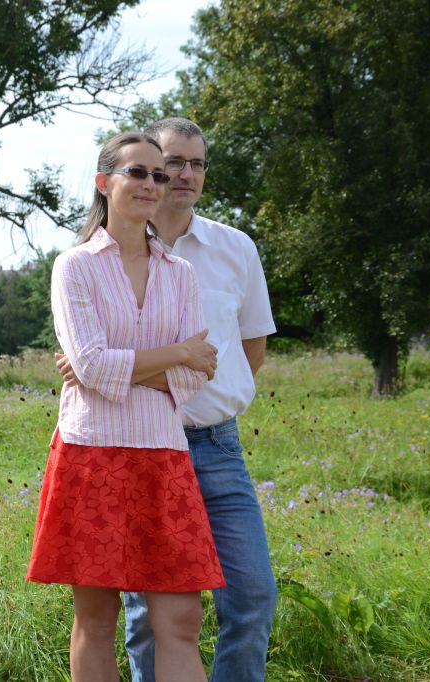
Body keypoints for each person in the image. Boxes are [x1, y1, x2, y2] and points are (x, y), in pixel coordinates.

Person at [27, 131, 225, 682]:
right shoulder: (74, 266)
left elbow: (196, 376)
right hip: (91, 454)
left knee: (181, 622)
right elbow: (92, 365)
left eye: (159, 175)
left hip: (164, 456)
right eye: (137, 172)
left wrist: (121, 368)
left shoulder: (180, 274)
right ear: (104, 182)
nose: (151, 183)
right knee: (97, 620)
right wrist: (175, 354)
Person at [121, 117, 278, 681]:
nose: (185, 174)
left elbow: (251, 345)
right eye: (173, 163)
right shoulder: (112, 252)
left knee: (253, 594)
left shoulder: (235, 248)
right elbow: (97, 359)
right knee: (148, 613)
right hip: (144, 444)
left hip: (217, 447)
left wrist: (210, 395)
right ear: (149, 168)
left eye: (197, 164)